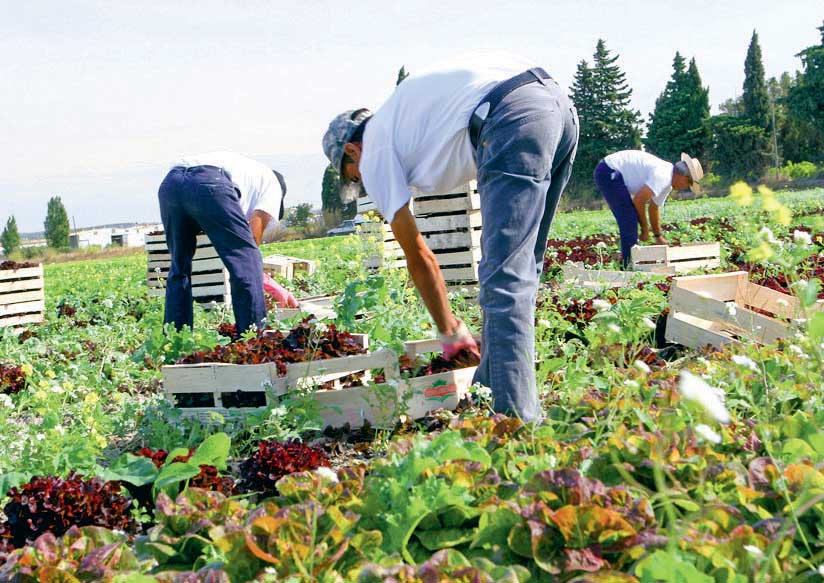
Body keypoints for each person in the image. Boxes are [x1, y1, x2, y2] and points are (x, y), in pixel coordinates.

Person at [322, 52, 579, 423]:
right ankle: (491, 387)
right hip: (557, 107)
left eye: (351, 175)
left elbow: (419, 256)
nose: (358, 182)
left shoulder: (374, 148)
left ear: (351, 150)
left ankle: (516, 425)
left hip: (511, 118)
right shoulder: (401, 120)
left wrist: (449, 329)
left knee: (504, 276)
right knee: (523, 268)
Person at [157, 151, 297, 334]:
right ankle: (253, 338)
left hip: (171, 184)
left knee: (179, 268)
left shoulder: (247, 173)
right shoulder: (272, 186)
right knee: (247, 259)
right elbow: (248, 250)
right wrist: (274, 287)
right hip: (210, 182)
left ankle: (175, 340)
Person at [594, 150, 704, 266]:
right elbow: (639, 200)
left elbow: (654, 208)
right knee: (629, 218)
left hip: (611, 170)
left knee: (629, 217)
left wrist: (658, 236)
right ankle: (628, 265)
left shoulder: (668, 181)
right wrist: (645, 230)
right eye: (688, 183)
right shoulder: (663, 175)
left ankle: (629, 260)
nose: (685, 187)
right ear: (683, 176)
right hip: (608, 170)